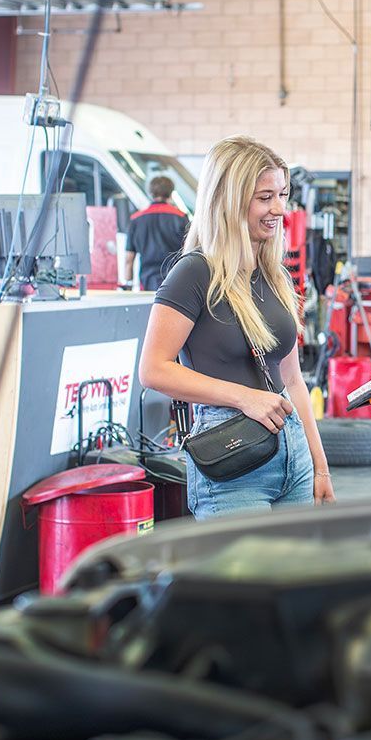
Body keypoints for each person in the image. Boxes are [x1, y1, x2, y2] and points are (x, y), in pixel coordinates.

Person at [137, 136, 334, 518]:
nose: (280, 208)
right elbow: (153, 369)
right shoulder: (194, 272)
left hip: (292, 451)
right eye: (265, 197)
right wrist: (244, 397)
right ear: (228, 200)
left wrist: (320, 466)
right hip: (231, 460)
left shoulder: (273, 275)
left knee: (294, 578)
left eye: (282, 194)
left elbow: (293, 381)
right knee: (246, 579)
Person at [124, 175, 189, 291]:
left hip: (147, 282)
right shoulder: (181, 218)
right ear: (171, 192)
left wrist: (128, 285)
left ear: (150, 193)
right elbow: (188, 253)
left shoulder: (136, 219)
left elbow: (129, 259)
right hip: (175, 281)